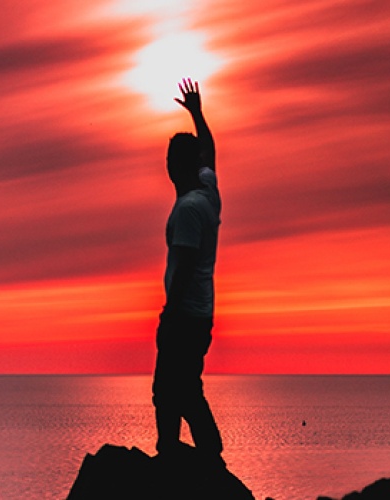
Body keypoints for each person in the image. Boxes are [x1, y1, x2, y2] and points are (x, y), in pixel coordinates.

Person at [152, 78, 223, 462]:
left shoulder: (189, 210)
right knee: (184, 386)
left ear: (178, 166)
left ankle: (185, 453)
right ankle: (195, 453)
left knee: (169, 389)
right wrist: (197, 114)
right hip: (201, 313)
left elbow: (183, 268)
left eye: (169, 161)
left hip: (185, 315)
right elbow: (210, 154)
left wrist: (168, 314)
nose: (166, 168)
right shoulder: (208, 190)